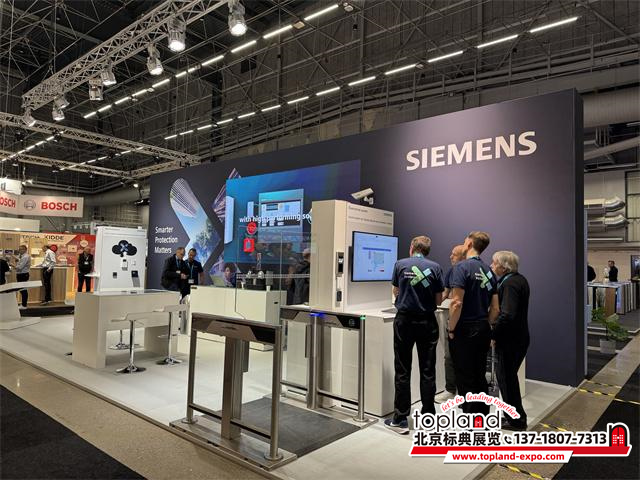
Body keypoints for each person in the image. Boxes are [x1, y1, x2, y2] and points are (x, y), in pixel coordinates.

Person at [384, 236, 444, 435]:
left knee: (402, 369)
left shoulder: (400, 265)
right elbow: (438, 299)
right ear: (427, 250)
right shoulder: (435, 267)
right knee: (428, 370)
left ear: (412, 247)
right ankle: (428, 418)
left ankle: (401, 419)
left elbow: (395, 291)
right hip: (427, 322)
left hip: (405, 322)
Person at [447, 231, 499, 415]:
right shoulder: (489, 271)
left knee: (465, 378)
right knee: (479, 375)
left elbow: (456, 303)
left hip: (464, 329)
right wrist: (485, 324)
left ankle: (471, 424)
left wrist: (451, 328)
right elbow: (495, 308)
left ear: (469, 244)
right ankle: (482, 419)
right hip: (483, 328)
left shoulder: (461, 268)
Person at [490, 250, 530, 431]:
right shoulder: (519, 280)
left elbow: (507, 314)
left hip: (510, 340)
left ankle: (516, 420)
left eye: (494, 263)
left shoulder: (510, 284)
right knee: (508, 379)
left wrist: (494, 335)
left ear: (504, 267)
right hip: (517, 338)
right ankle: (514, 416)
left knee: (506, 380)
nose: (492, 266)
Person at [435, 244, 466, 404]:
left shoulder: (464, 271)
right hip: (454, 318)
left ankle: (462, 392)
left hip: (462, 320)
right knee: (449, 356)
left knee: (462, 357)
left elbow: (456, 300)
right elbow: (444, 295)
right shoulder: (451, 272)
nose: (450, 256)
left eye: (454, 254)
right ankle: (451, 390)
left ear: (463, 256)